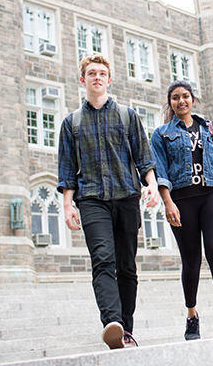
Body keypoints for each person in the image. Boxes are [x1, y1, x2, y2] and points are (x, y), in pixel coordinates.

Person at [57, 54, 159, 349]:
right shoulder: (71, 123)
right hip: (91, 201)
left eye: (102, 73)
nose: (97, 77)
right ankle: (112, 322)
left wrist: (151, 185)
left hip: (126, 196)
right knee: (103, 259)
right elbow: (66, 170)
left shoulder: (128, 116)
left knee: (126, 266)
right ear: (83, 80)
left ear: (109, 80)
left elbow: (144, 157)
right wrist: (67, 205)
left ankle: (126, 328)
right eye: (91, 73)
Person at [150, 80, 213, 340]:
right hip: (181, 199)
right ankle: (192, 316)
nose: (180, 101)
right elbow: (160, 170)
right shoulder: (160, 134)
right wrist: (167, 201)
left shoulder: (210, 129)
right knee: (191, 259)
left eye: (185, 96)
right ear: (170, 103)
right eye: (175, 97)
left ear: (193, 100)